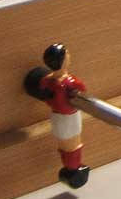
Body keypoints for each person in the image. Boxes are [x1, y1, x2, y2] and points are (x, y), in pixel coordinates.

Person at [35, 44, 89, 188]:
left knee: (65, 145)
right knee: (73, 145)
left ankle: (71, 168)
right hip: (69, 117)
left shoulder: (45, 81)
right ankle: (74, 169)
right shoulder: (70, 82)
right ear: (63, 60)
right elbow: (82, 89)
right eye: (67, 54)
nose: (69, 56)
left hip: (57, 116)